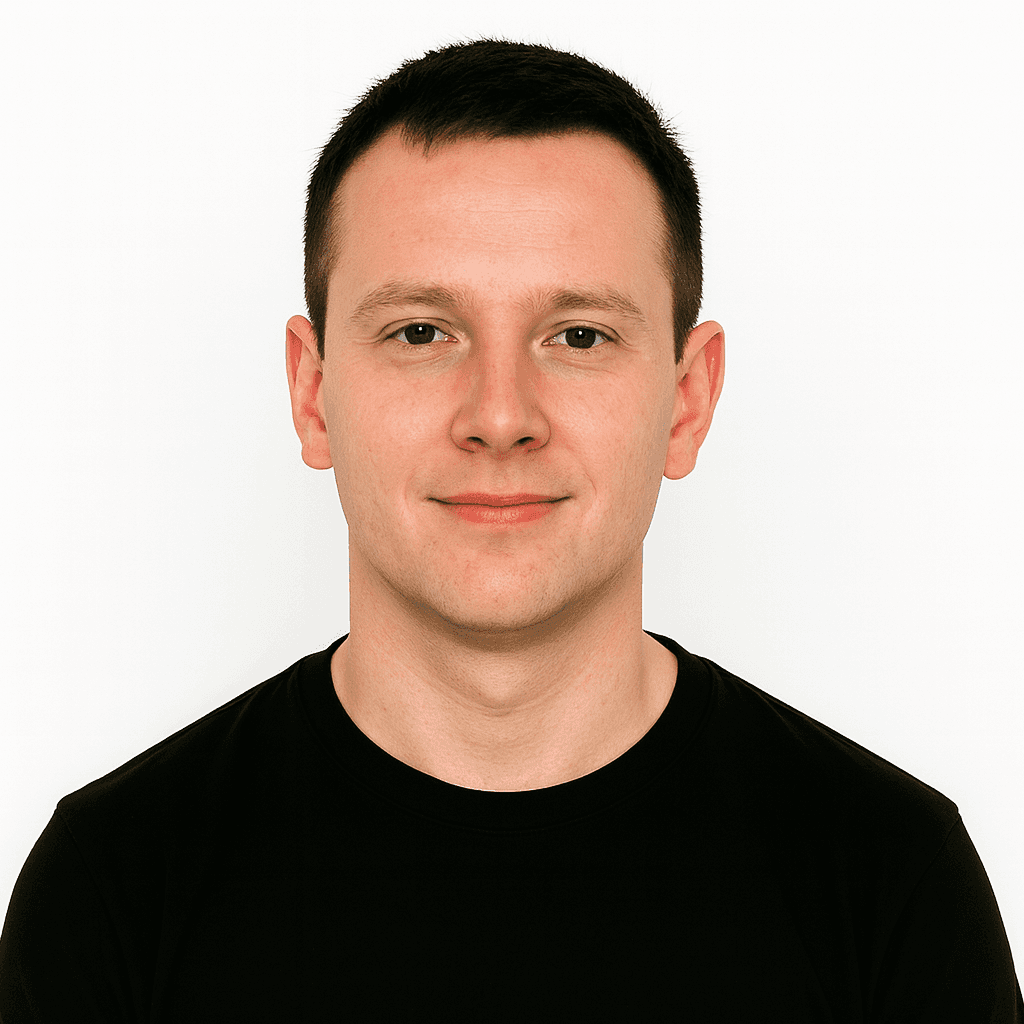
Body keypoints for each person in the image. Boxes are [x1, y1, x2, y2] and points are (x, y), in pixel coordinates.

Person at [0, 38, 1020, 1022]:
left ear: (687, 400)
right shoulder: (116, 886)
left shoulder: (887, 877)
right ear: (313, 395)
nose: (498, 413)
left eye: (577, 335)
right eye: (420, 332)